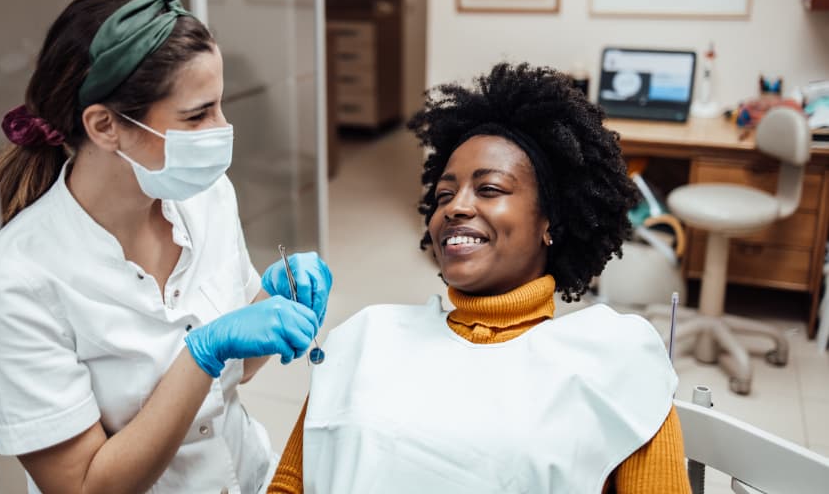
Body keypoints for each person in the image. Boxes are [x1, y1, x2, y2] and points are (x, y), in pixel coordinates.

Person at [0, 0, 332, 494]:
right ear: (104, 126)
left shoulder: (207, 198)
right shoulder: (14, 281)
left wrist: (276, 304)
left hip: (248, 477)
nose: (222, 128)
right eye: (197, 114)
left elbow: (239, 372)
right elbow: (84, 486)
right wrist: (201, 351)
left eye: (219, 106)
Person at [268, 63, 691, 493]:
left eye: (489, 189)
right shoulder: (365, 339)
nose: (453, 208)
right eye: (444, 195)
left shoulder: (613, 363)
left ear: (550, 221)